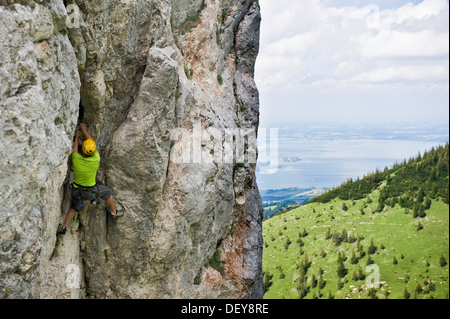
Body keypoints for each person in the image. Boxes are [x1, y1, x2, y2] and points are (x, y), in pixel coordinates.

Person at [57, 123, 123, 235]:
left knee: (74, 206)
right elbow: (92, 144)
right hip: (89, 193)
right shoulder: (96, 159)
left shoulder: (76, 159)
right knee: (108, 192)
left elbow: (74, 149)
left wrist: (77, 136)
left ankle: (64, 227)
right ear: (93, 152)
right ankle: (113, 212)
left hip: (75, 192)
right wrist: (84, 130)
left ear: (82, 150)